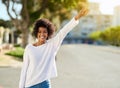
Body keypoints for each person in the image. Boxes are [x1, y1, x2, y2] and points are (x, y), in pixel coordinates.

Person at [19, 8, 88, 88]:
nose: (42, 34)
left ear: (48, 33)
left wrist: (77, 17)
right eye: (40, 32)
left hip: (44, 84)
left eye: (45, 32)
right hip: (30, 85)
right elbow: (24, 69)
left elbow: (64, 31)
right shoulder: (29, 48)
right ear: (36, 33)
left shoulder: (52, 45)